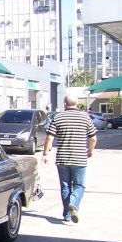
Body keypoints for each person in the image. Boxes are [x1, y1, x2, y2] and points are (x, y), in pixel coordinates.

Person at [42, 94, 97, 223]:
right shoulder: (85, 117)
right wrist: (90, 150)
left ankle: (67, 214)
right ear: (77, 104)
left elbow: (50, 137)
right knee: (79, 185)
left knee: (65, 186)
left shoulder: (58, 117)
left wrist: (45, 154)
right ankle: (73, 202)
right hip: (79, 159)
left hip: (62, 159)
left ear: (65, 104)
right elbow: (93, 138)